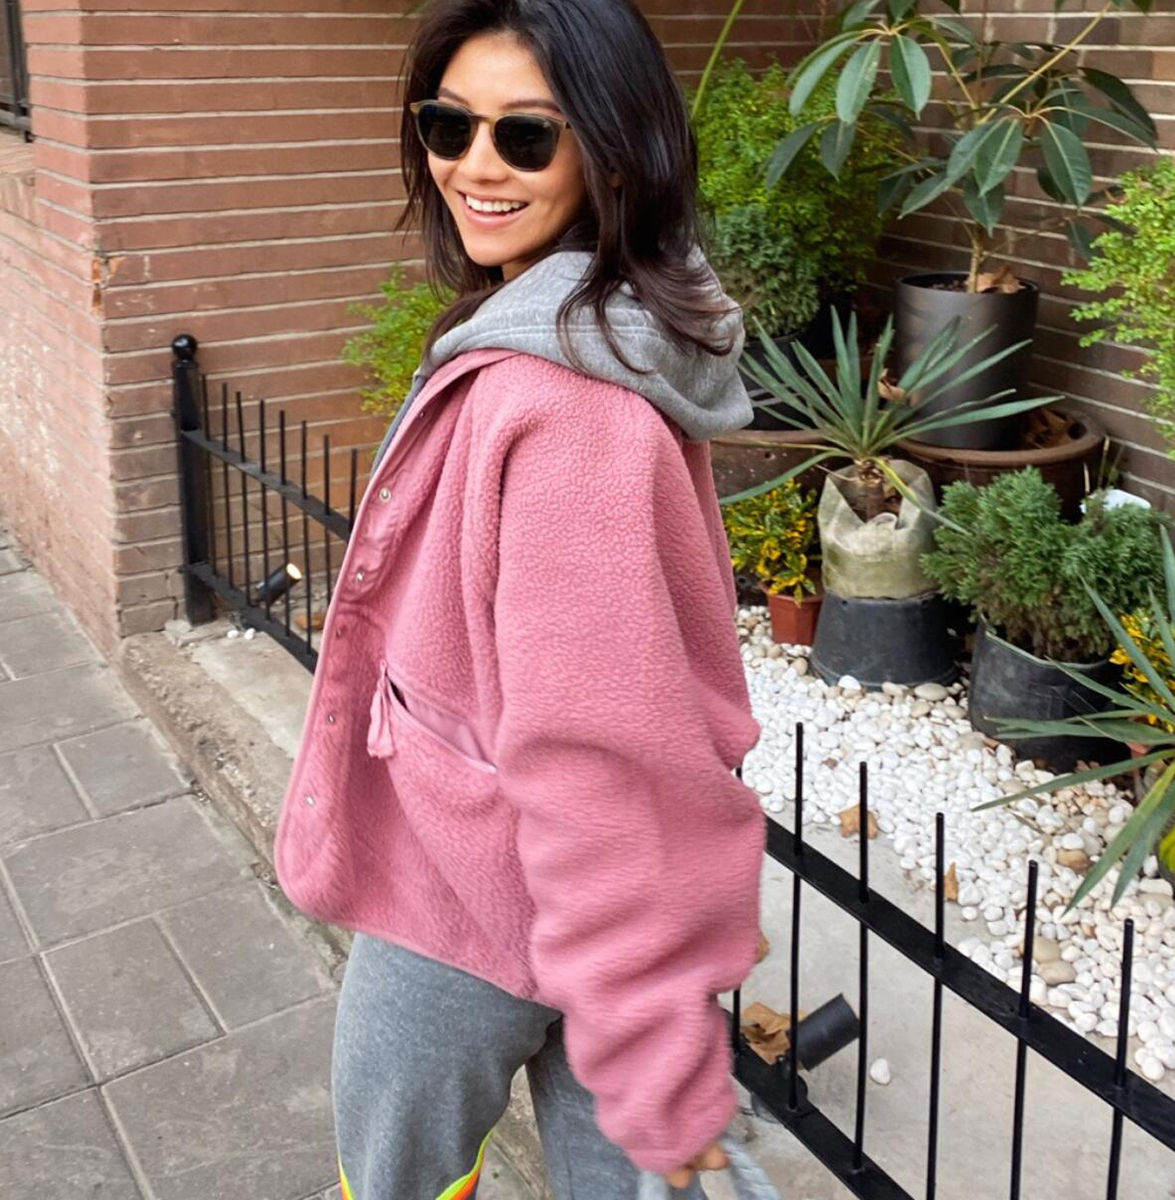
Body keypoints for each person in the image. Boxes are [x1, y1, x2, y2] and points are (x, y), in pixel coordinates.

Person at [272, 0, 767, 1196]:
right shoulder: (593, 324)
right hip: (565, 893)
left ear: (615, 152)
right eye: (449, 125)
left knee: (390, 1176)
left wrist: (649, 1030)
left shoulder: (561, 404)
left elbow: (598, 743)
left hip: (480, 887)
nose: (474, 167)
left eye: (527, 136)